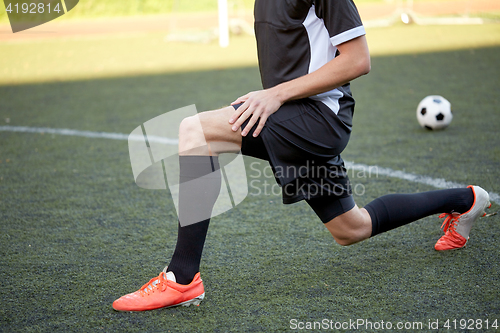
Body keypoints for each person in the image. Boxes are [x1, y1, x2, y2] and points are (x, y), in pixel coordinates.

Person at [112, 0, 491, 311]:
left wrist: (276, 94)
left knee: (196, 131)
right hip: (294, 116)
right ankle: (467, 199)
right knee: (351, 228)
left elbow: (358, 59)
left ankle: (181, 278)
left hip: (318, 117)